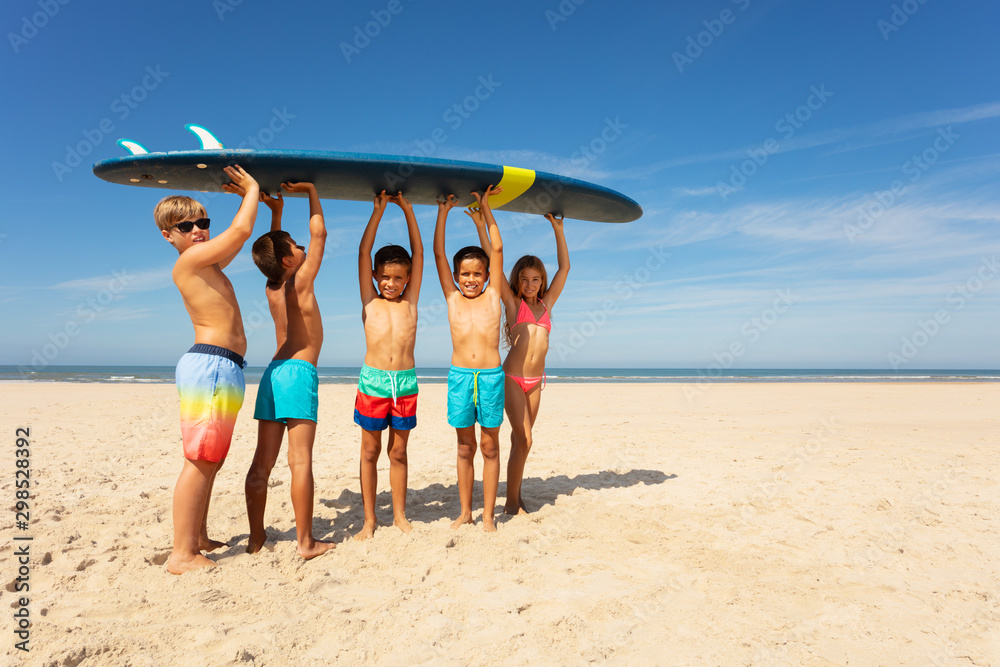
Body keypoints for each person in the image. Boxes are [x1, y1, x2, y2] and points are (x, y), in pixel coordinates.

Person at [154, 165, 259, 574]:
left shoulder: (207, 264)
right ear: (170, 235)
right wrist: (250, 190)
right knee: (199, 459)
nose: (198, 230)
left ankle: (196, 536)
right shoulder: (191, 261)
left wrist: (251, 201)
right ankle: (182, 554)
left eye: (203, 222)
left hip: (223, 367)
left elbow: (233, 244)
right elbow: (240, 233)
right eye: (187, 225)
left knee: (210, 458)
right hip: (212, 366)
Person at [240, 181, 335, 560]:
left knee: (262, 462)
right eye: (295, 246)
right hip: (298, 372)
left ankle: (255, 537)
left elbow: (274, 249)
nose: (302, 247)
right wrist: (313, 188)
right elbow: (321, 232)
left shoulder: (273, 286)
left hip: (272, 373)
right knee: (300, 462)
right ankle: (306, 542)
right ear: (289, 262)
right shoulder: (302, 280)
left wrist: (276, 213)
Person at [473, 212, 569, 514]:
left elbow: (565, 267)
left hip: (536, 381)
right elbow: (493, 259)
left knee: (521, 442)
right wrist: (481, 225)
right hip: (512, 378)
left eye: (536, 279)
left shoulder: (547, 303)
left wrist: (558, 228)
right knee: (525, 438)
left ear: (542, 281)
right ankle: (512, 502)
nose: (530, 284)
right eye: (525, 279)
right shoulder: (513, 304)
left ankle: (514, 497)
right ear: (518, 280)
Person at [433, 187, 505, 532]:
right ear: (456, 276)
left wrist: (487, 209)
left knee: (490, 446)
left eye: (477, 273)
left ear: (487, 276)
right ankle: (465, 511)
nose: (471, 279)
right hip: (461, 376)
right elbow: (437, 254)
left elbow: (498, 248)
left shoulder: (494, 296)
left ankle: (488, 515)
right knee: (465, 447)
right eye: (465, 273)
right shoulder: (452, 298)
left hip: (491, 377)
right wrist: (443, 212)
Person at [353, 191, 424, 540]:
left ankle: (399, 514)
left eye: (397, 278)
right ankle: (369, 520)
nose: (390, 284)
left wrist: (409, 211)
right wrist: (378, 211)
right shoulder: (371, 301)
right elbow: (364, 252)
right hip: (373, 382)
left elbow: (421, 253)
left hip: (405, 383)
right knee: (370, 451)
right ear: (375, 275)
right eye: (384, 277)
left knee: (398, 451)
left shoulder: (410, 303)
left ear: (408, 278)